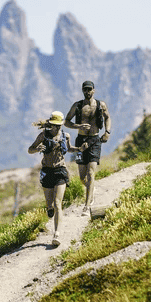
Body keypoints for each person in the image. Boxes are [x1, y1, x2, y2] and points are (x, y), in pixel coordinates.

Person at [28, 110, 87, 247]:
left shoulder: (65, 136)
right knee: (50, 205)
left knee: (57, 203)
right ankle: (49, 209)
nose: (57, 128)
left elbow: (69, 149)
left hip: (60, 171)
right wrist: (37, 149)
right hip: (47, 172)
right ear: (51, 125)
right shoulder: (43, 136)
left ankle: (57, 234)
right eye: (55, 125)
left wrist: (80, 149)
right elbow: (30, 149)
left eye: (59, 125)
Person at [64, 80, 112, 215]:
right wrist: (78, 126)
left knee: (91, 173)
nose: (87, 91)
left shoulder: (101, 105)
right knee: (82, 178)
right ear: (82, 90)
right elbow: (66, 121)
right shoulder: (77, 106)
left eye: (89, 89)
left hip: (95, 140)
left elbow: (108, 118)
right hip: (80, 141)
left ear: (94, 90)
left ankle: (87, 205)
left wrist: (107, 132)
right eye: (85, 89)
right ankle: (91, 190)